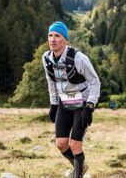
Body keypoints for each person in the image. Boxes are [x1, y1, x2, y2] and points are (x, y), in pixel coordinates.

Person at [42, 21, 100, 178]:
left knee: (75, 145)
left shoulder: (78, 58)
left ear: (65, 39)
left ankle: (78, 174)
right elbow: (51, 82)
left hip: (82, 102)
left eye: (57, 36)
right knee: (61, 144)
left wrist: (90, 107)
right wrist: (53, 104)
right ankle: (80, 166)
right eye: (50, 35)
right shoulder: (47, 59)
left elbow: (95, 82)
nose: (53, 39)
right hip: (64, 102)